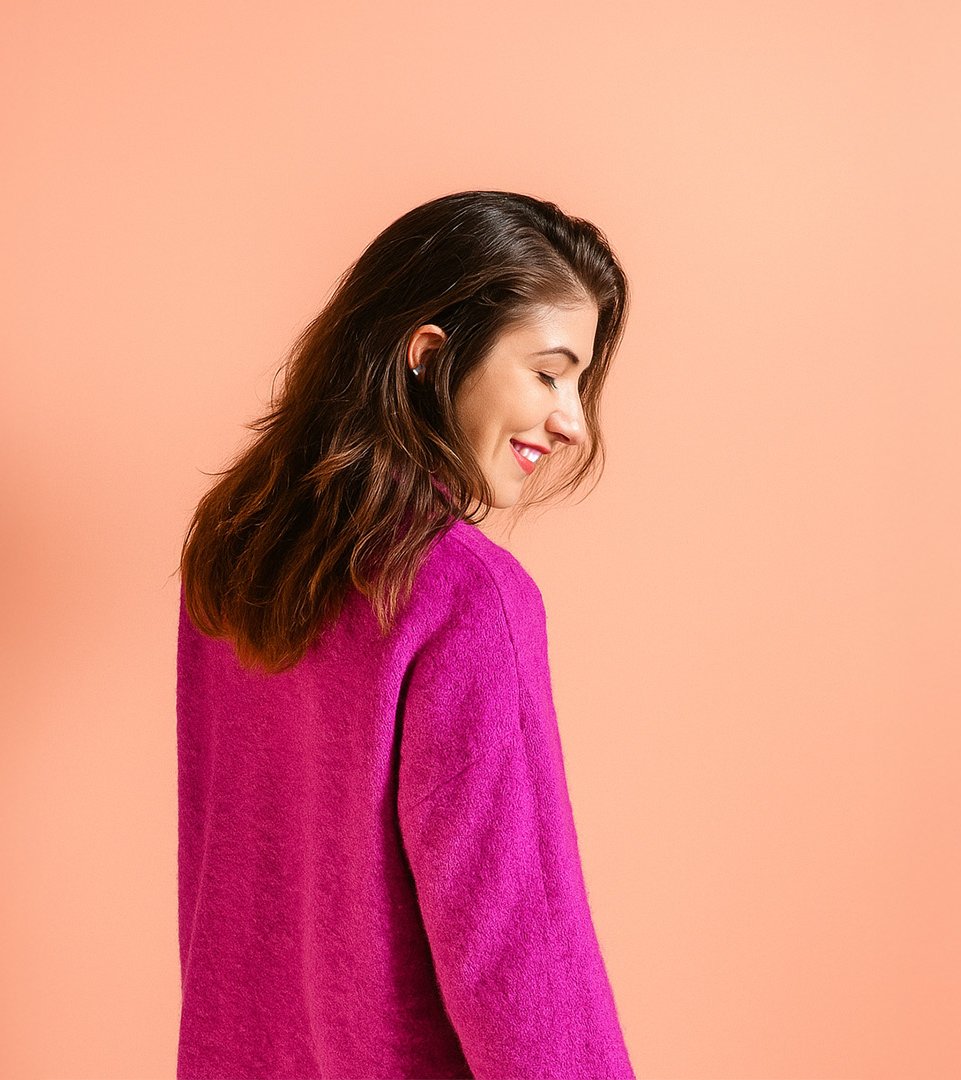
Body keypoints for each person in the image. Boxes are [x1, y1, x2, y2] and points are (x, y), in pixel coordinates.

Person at [175, 190, 634, 1078]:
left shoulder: (234, 556)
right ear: (429, 355)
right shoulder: (469, 599)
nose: (574, 420)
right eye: (549, 374)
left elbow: (219, 889)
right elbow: (517, 944)